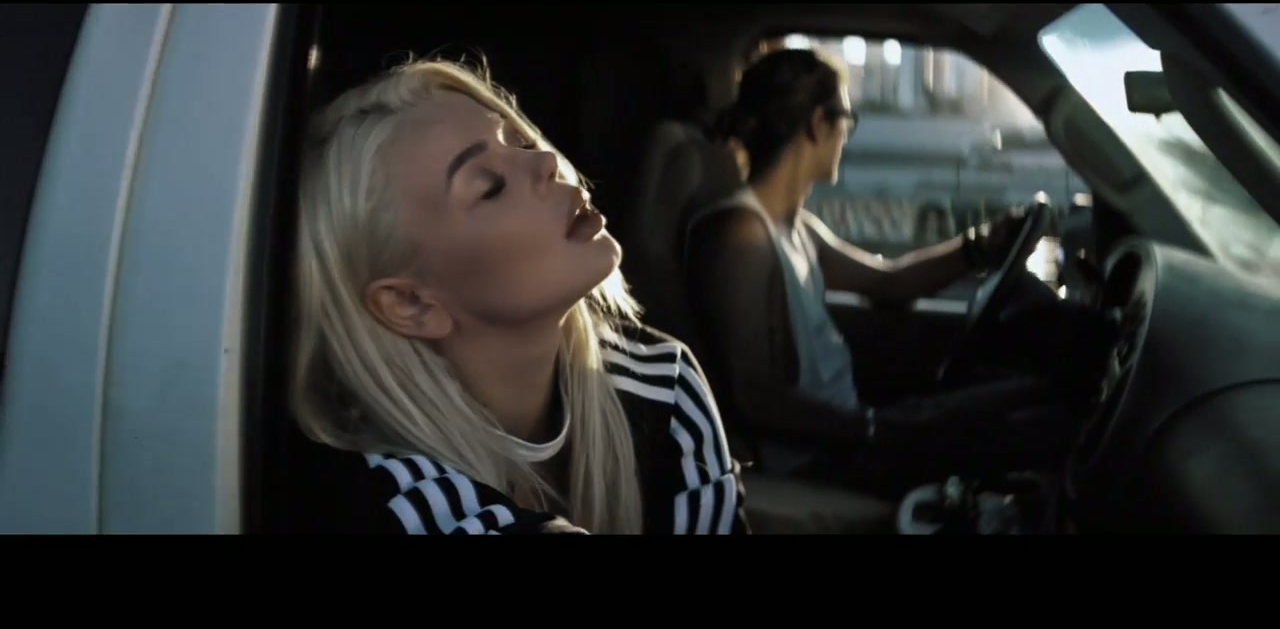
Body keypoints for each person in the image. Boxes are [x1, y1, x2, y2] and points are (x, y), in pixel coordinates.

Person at [291, 57, 748, 534]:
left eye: (522, 142)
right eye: (490, 187)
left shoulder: (660, 384)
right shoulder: (383, 494)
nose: (547, 163)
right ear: (411, 304)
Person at [686, 48, 1067, 497]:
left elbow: (887, 281)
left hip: (849, 432)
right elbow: (755, 396)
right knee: (1028, 428)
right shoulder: (743, 234)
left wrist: (977, 248)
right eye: (847, 118)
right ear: (818, 123)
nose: (847, 135)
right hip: (820, 458)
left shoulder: (795, 227)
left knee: (1028, 398)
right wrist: (873, 429)